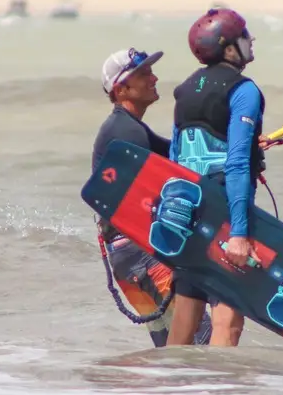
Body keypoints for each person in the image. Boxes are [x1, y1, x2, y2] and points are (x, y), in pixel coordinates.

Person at [91, 47, 213, 347]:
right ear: (122, 89)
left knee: (172, 351)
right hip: (142, 257)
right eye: (144, 74)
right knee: (200, 340)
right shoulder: (126, 133)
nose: (154, 78)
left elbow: (177, 156)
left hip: (127, 259)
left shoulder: (129, 129)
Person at [166, 7, 267, 347]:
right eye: (243, 36)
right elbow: (237, 164)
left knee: (186, 317)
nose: (250, 40)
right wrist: (239, 233)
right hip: (224, 211)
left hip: (187, 211)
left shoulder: (184, 90)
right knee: (228, 322)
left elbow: (175, 159)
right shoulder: (245, 91)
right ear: (228, 48)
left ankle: (169, 383)